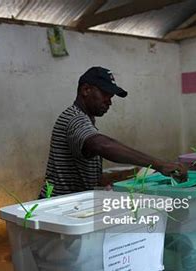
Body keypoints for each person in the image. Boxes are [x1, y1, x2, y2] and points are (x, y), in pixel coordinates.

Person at [40, 66, 187, 198]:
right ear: (86, 90)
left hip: (74, 204)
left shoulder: (84, 120)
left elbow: (84, 173)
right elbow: (102, 145)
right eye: (105, 94)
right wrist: (159, 164)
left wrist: (120, 179)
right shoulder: (75, 119)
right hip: (60, 206)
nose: (109, 102)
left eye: (111, 97)